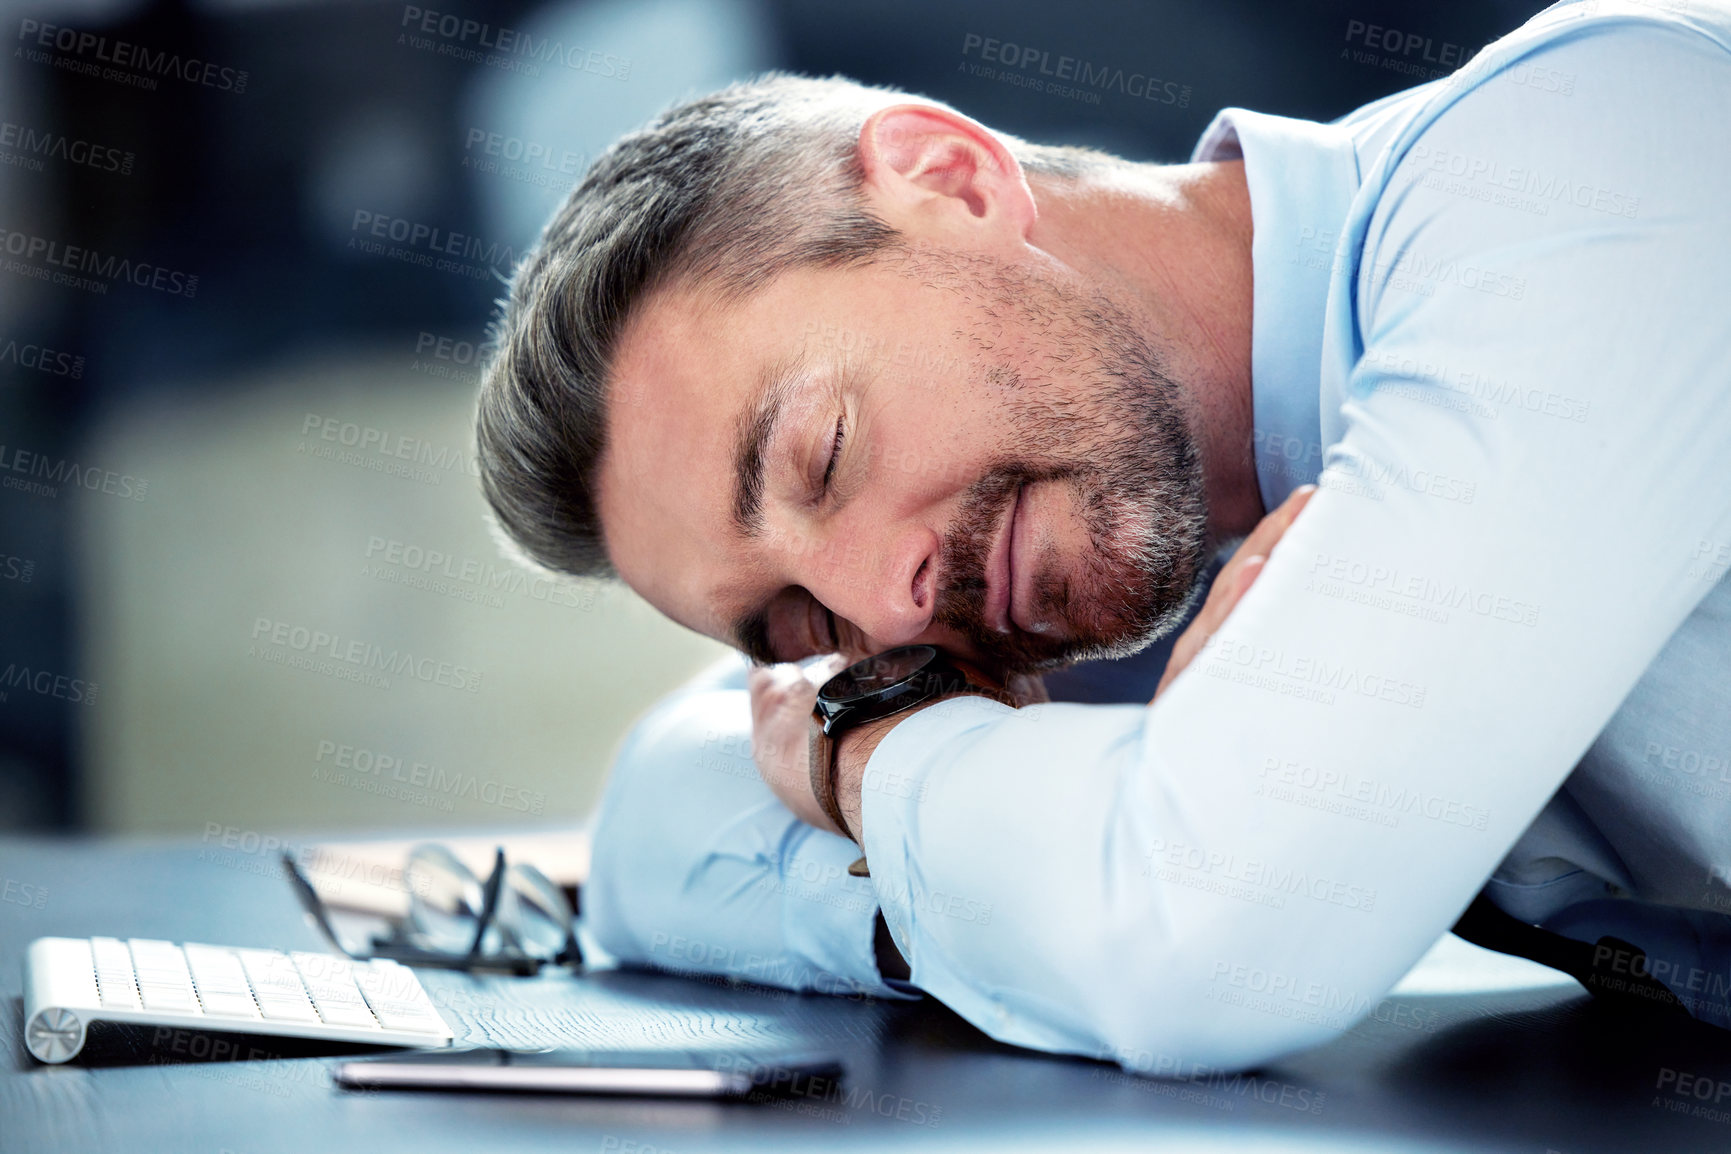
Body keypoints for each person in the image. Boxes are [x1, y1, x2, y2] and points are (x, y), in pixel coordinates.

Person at [475, 0, 1731, 1071]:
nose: (893, 611)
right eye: (806, 628)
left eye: (824, 453)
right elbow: (653, 822)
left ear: (952, 178)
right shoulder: (1121, 524)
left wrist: (864, 772)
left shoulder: (1597, 161)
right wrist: (1018, 834)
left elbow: (1206, 939)